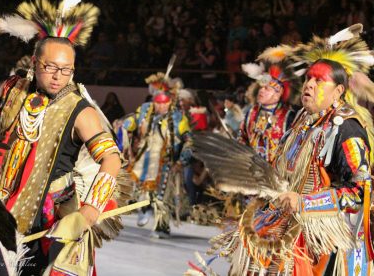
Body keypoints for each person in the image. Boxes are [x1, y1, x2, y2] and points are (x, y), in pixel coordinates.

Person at [192, 25, 374, 275]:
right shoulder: (302, 119)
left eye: (319, 80)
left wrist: (305, 202)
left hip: (323, 243)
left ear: (338, 91)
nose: (309, 84)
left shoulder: (347, 129)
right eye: (308, 77)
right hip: (287, 228)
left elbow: (361, 191)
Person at [0, 0, 122, 275]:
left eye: (66, 69)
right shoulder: (12, 90)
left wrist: (88, 214)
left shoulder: (81, 111)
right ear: (34, 62)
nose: (59, 76)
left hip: (43, 225)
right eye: (50, 67)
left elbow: (111, 159)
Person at [123, 70, 192, 238]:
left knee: (162, 196)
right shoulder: (145, 111)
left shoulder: (178, 118)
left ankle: (161, 225)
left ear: (171, 101)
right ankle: (144, 208)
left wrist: (182, 160)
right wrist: (125, 126)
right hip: (144, 159)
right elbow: (131, 123)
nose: (161, 106)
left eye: (165, 103)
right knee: (143, 190)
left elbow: (189, 141)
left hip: (166, 162)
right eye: (158, 102)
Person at [239, 48, 297, 163]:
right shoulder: (252, 112)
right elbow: (242, 137)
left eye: (267, 89)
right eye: (261, 87)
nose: (261, 90)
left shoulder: (288, 117)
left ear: (278, 94)